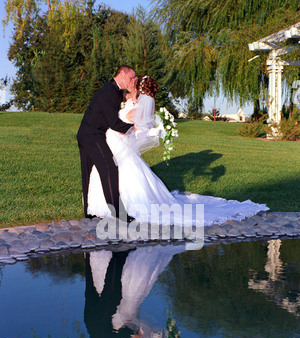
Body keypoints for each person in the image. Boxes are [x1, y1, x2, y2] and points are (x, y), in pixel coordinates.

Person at [87, 75, 269, 227]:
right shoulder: (134, 103)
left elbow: (133, 129)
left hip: (117, 143)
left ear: (139, 90)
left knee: (114, 173)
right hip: (112, 143)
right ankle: (108, 206)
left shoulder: (136, 109)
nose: (131, 88)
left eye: (135, 86)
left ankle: (111, 207)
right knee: (108, 170)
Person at [77, 65, 136, 221]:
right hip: (92, 135)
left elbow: (119, 99)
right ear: (122, 73)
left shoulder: (112, 90)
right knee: (109, 167)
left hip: (86, 134)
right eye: (130, 77)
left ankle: (88, 212)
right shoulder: (110, 92)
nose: (131, 81)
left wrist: (128, 97)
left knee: (89, 173)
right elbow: (114, 124)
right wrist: (135, 128)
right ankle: (118, 212)